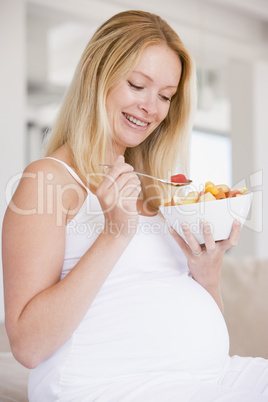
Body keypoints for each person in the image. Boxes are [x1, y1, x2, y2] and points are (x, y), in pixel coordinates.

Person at [2, 10, 268, 402]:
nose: (151, 108)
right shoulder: (47, 181)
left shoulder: (154, 188)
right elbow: (27, 346)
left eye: (165, 96)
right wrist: (113, 234)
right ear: (95, 71)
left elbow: (188, 313)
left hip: (213, 376)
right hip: (113, 387)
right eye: (137, 85)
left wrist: (207, 275)